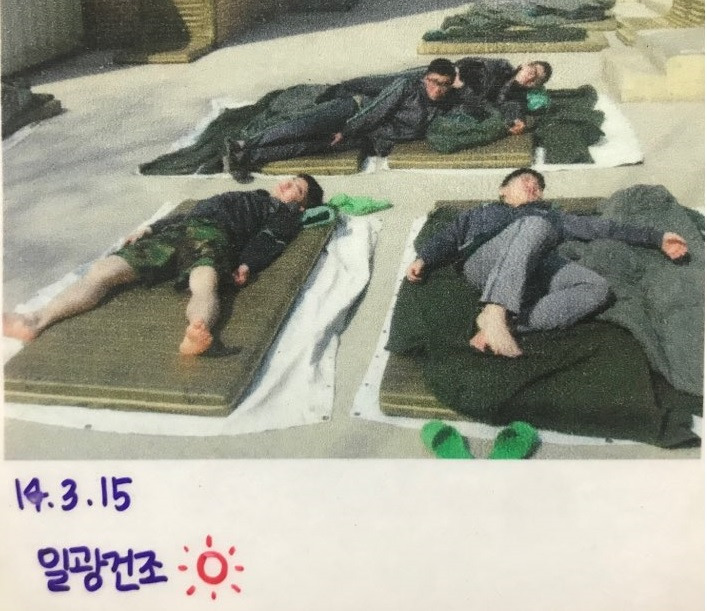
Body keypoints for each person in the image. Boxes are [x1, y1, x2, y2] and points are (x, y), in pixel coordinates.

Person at [3, 175, 324, 356]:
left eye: (297, 189)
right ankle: (36, 319)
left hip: (214, 237)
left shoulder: (283, 214)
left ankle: (197, 331)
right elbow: (191, 213)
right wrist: (150, 228)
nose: (288, 185)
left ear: (301, 205)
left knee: (204, 280)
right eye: (290, 180)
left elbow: (271, 239)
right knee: (103, 270)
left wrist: (247, 264)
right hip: (178, 231)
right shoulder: (251, 195)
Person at [406, 168, 688, 358]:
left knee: (596, 287)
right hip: (483, 264)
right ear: (503, 189)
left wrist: (657, 237)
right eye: (525, 180)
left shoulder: (553, 216)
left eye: (539, 186)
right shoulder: (483, 213)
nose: (534, 186)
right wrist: (425, 257)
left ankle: (505, 324)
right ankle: (495, 310)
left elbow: (602, 228)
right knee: (535, 224)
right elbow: (451, 234)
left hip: (532, 271)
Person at [224, 58, 458, 183]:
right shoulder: (407, 86)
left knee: (308, 147)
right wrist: (347, 130)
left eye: (444, 84)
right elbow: (377, 109)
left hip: (366, 136)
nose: (438, 89)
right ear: (425, 78)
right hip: (354, 111)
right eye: (434, 81)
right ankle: (243, 144)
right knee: (302, 127)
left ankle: (244, 159)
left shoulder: (444, 105)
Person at [453, 58, 552, 135]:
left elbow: (510, 107)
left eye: (535, 81)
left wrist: (517, 121)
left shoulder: (516, 98)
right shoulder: (500, 67)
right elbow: (462, 66)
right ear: (524, 65)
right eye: (532, 72)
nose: (530, 77)